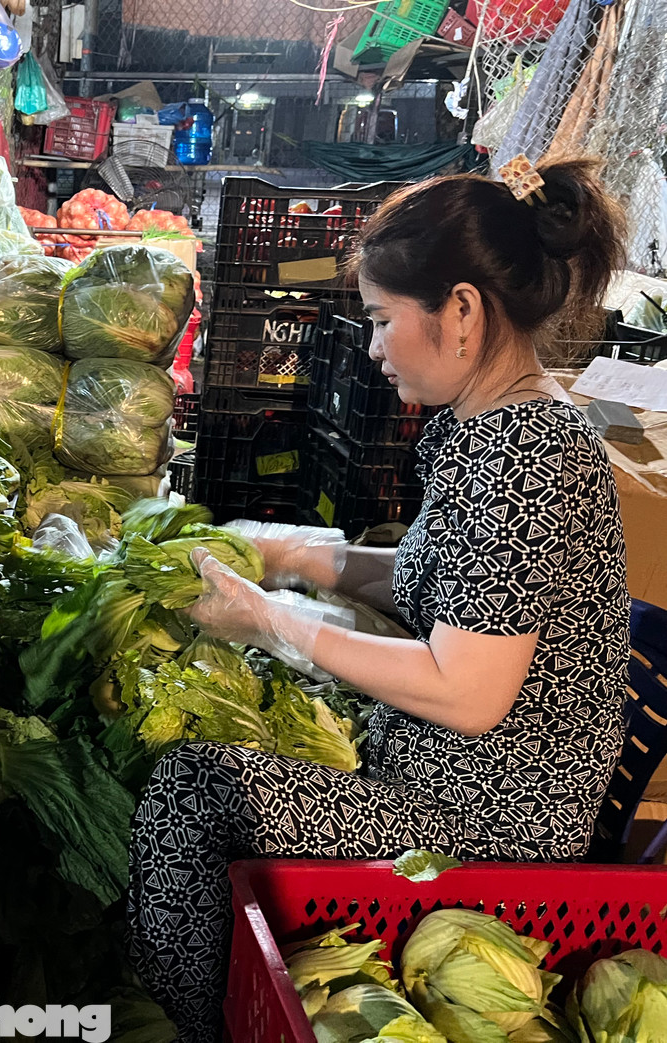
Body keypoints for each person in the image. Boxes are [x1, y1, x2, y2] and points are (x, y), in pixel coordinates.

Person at [127, 156, 631, 1043]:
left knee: (195, 791)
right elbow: (426, 583)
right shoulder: (489, 426)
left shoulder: (527, 455)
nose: (371, 346)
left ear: (462, 313)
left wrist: (271, 619)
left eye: (383, 320)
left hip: (484, 825)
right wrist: (296, 559)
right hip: (439, 772)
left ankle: (216, 1027)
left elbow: (467, 690)